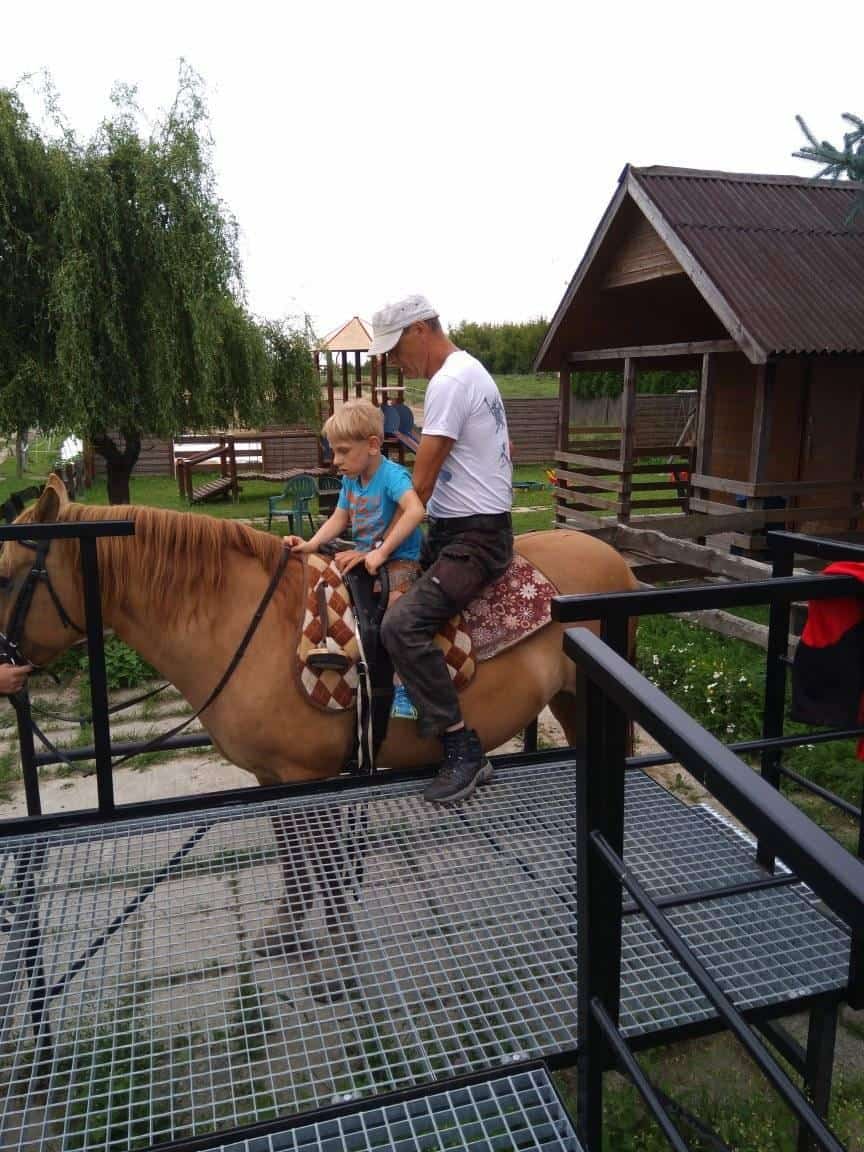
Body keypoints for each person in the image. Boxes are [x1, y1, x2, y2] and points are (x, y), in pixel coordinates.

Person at [372, 294, 513, 804]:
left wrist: (380, 544)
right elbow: (503, 451)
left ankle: (461, 748)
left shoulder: (450, 382)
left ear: (419, 330)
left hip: (475, 539)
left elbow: (422, 486)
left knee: (401, 625)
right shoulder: (468, 371)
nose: (395, 362)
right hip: (460, 529)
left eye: (395, 349)